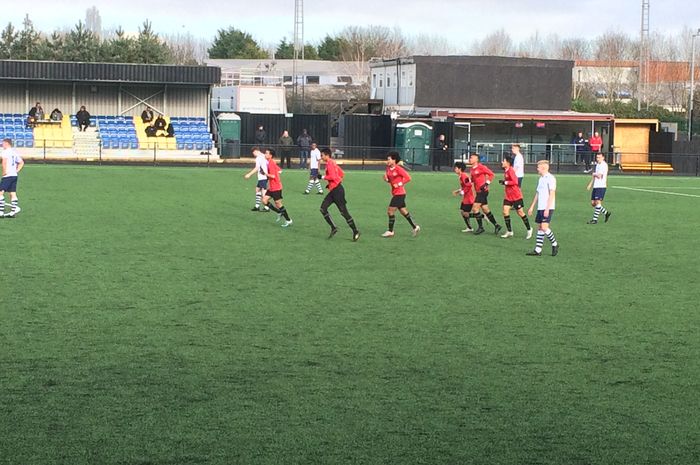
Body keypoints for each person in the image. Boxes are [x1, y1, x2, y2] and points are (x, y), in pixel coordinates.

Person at [319, 147, 360, 241]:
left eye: (322, 155)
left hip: (337, 191)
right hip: (334, 190)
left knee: (344, 212)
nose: (321, 157)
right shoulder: (333, 163)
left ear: (326, 155)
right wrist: (336, 182)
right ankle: (334, 228)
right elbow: (341, 174)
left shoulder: (330, 164)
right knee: (323, 208)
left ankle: (355, 231)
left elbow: (333, 176)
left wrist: (322, 177)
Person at [381, 151, 420, 237]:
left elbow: (408, 178)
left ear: (394, 160)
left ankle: (390, 231)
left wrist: (400, 184)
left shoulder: (398, 169)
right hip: (395, 193)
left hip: (400, 193)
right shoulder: (388, 168)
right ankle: (415, 227)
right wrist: (386, 180)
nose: (387, 161)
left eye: (389, 159)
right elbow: (391, 181)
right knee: (403, 211)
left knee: (390, 211)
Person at [526, 160, 559, 257]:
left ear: (544, 168)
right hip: (540, 207)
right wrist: (532, 206)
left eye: (538, 167)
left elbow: (552, 193)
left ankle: (555, 244)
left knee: (544, 227)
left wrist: (547, 208)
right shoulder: (541, 179)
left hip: (547, 207)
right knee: (540, 228)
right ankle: (538, 250)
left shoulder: (551, 178)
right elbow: (538, 193)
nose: (537, 169)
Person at [498, 156, 533, 239]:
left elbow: (515, 181)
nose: (502, 162)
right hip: (508, 196)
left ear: (508, 163)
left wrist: (505, 182)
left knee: (520, 212)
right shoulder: (506, 171)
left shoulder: (510, 171)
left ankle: (529, 229)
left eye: (503, 160)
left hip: (516, 196)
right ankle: (509, 231)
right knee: (505, 211)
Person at [468, 153, 502, 235]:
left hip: (483, 191)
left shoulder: (481, 167)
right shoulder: (472, 169)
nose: (470, 159)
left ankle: (481, 227)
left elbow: (491, 174)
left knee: (475, 208)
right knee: (485, 209)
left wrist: (486, 183)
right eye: (470, 158)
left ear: (477, 159)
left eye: (472, 158)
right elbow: (472, 180)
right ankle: (497, 225)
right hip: (478, 192)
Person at [261, 149, 293, 227]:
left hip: (276, 187)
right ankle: (279, 212)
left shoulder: (271, 163)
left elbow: (273, 176)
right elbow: (280, 171)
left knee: (278, 204)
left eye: (266, 153)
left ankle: (288, 220)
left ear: (270, 155)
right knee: (264, 200)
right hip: (272, 187)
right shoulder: (271, 162)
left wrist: (265, 173)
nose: (265, 154)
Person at [0, 138, 24, 218]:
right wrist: (16, 171)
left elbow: (4, 162)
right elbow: (21, 162)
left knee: (0, 192)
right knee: (12, 193)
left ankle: (1, 212)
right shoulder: (14, 152)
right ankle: (13, 212)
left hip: (7, 175)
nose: (2, 145)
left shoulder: (5, 152)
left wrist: (4, 172)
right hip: (14, 175)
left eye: (3, 143)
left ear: (7, 143)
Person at [586, 152, 612, 224]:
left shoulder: (604, 165)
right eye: (597, 157)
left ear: (603, 158)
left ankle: (595, 220)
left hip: (601, 186)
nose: (598, 159)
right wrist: (590, 184)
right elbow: (594, 176)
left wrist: (594, 174)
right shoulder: (598, 165)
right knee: (593, 203)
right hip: (596, 186)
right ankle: (606, 213)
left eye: (599, 157)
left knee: (598, 202)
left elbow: (599, 175)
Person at [243, 147, 270, 212]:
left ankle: (267, 207)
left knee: (264, 192)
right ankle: (257, 206)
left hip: (263, 177)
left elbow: (257, 168)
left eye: (253, 153)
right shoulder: (264, 156)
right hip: (264, 177)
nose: (254, 155)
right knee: (257, 189)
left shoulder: (258, 158)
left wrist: (249, 174)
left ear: (255, 151)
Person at [453, 161, 476, 233]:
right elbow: (465, 186)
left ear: (460, 169)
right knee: (462, 212)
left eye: (456, 168)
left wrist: (463, 192)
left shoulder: (463, 176)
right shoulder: (461, 176)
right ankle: (469, 227)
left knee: (465, 213)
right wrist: (458, 190)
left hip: (469, 198)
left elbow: (469, 185)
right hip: (466, 198)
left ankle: (481, 216)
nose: (455, 169)